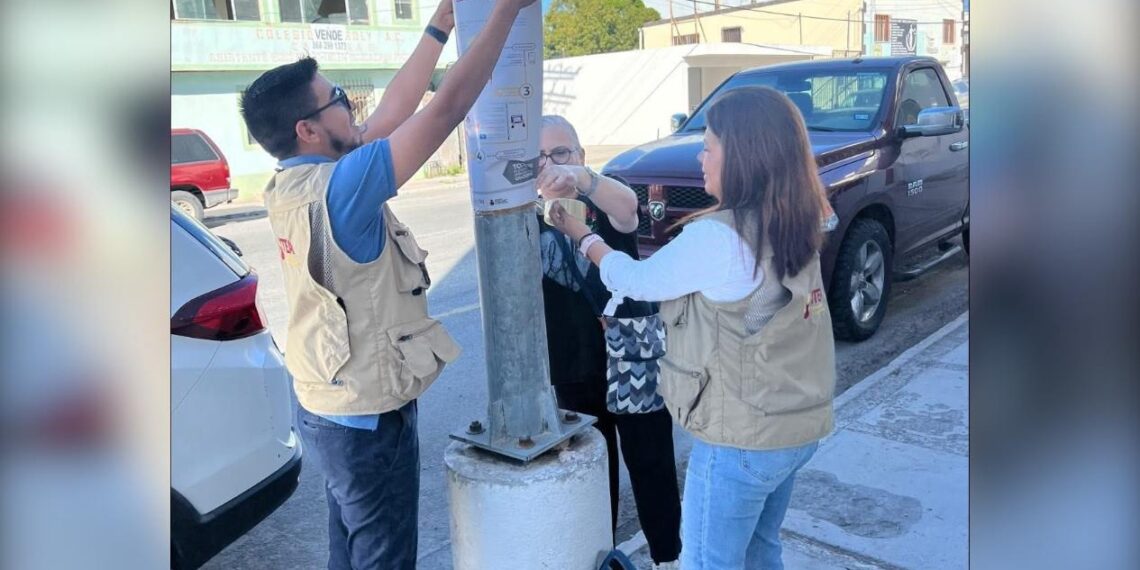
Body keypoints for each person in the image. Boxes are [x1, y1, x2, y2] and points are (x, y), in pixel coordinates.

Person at [238, 0, 536, 568]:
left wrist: (440, 26)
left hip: (327, 403)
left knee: (349, 546)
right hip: (368, 418)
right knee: (385, 555)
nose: (353, 110)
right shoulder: (344, 186)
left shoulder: (294, 183)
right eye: (339, 102)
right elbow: (444, 110)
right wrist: (505, 13)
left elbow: (397, 111)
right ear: (308, 128)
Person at [548, 87, 837, 570]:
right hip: (798, 426)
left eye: (710, 146)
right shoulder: (799, 214)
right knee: (761, 550)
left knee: (707, 561)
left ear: (744, 155)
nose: (701, 157)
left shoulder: (718, 237)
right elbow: (763, 310)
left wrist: (583, 237)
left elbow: (637, 278)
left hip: (742, 440)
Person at [534, 116, 682, 569]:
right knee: (595, 477)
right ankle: (605, 560)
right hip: (575, 367)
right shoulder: (525, 212)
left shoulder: (602, 193)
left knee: (653, 467)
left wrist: (580, 180)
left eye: (560, 153)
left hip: (633, 358)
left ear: (579, 154)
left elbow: (628, 207)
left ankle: (669, 559)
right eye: (538, 157)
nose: (550, 165)